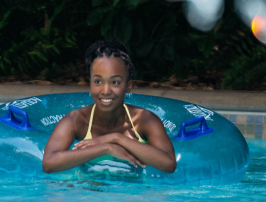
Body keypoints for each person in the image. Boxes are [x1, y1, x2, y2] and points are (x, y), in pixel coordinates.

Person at [41, 41, 177, 174]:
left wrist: (117, 138)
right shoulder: (77, 120)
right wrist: (107, 148)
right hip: (86, 193)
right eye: (98, 81)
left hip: (132, 194)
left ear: (129, 85)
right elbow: (49, 163)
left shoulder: (144, 120)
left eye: (115, 82)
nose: (105, 90)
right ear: (90, 83)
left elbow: (169, 164)